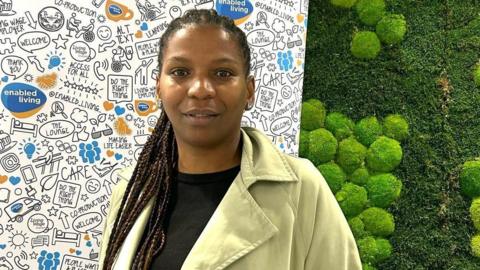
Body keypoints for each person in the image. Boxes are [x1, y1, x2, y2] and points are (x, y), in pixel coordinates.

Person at [98, 9, 361, 270]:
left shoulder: (302, 189)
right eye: (180, 72)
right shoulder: (132, 190)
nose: (200, 89)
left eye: (222, 73)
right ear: (158, 87)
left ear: (249, 91)